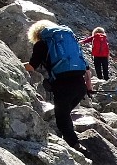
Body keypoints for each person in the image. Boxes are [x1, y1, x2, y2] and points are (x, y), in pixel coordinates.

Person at [24, 19, 87, 147]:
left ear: (36, 34)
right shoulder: (68, 42)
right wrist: (89, 88)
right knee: (65, 114)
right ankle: (70, 141)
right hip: (81, 85)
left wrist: (14, 64)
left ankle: (77, 147)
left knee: (62, 118)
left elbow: (31, 67)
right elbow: (87, 69)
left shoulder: (41, 44)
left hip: (63, 86)